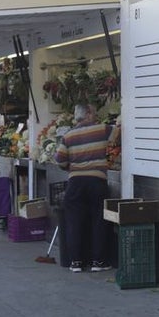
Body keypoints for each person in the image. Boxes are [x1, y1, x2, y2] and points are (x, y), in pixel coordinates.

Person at [55, 104, 119, 272]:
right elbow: (118, 135)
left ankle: (75, 262)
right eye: (94, 113)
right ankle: (98, 262)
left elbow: (60, 160)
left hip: (75, 183)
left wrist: (72, 166)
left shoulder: (68, 136)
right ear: (89, 114)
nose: (96, 116)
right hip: (97, 181)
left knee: (74, 222)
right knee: (99, 221)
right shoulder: (102, 129)